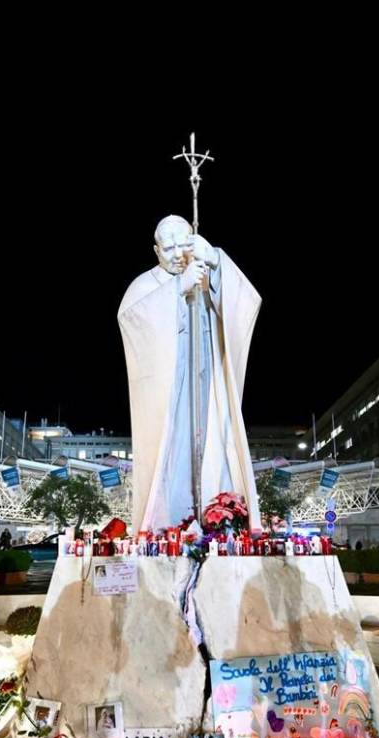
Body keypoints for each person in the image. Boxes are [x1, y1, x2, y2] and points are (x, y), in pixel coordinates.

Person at [118, 215, 262, 534]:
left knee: (215, 448)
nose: (177, 254)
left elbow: (246, 303)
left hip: (207, 385)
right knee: (173, 457)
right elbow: (132, 322)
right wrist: (176, 292)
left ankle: (220, 516)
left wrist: (215, 261)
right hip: (169, 392)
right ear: (156, 250)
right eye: (168, 248)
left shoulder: (203, 274)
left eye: (184, 244)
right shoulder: (145, 285)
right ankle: (169, 523)